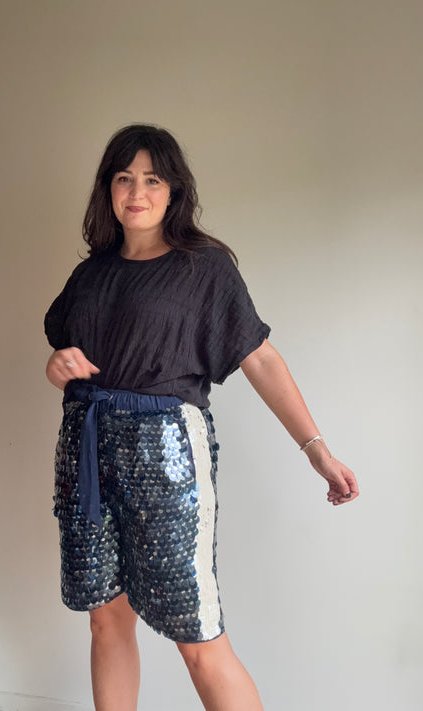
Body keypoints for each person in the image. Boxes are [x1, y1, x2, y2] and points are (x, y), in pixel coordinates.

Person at [44, 124, 359, 711]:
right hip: (85, 453)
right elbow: (66, 353)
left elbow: (260, 357)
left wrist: (317, 450)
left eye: (152, 179)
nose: (137, 192)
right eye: (124, 178)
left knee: (198, 633)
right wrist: (56, 365)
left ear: (173, 191)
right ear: (108, 188)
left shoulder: (203, 268)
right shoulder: (90, 273)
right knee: (105, 618)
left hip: (165, 455)